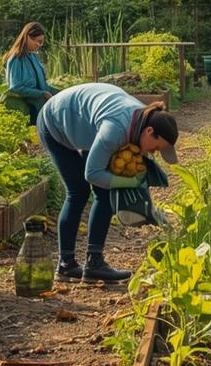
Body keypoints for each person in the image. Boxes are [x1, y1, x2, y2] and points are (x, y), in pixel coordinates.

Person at [36, 83, 179, 283]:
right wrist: (128, 183)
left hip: (86, 123)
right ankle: (66, 264)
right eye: (156, 148)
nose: (153, 153)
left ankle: (93, 263)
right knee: (78, 191)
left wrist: (149, 208)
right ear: (149, 131)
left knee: (104, 192)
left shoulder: (143, 120)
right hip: (55, 120)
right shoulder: (115, 130)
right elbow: (92, 174)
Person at [1, 22, 56, 125]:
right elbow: (15, 87)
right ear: (27, 37)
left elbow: (42, 84)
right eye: (38, 41)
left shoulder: (32, 56)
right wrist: (42, 94)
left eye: (41, 42)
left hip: (41, 104)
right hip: (28, 107)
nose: (39, 45)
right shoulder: (16, 59)